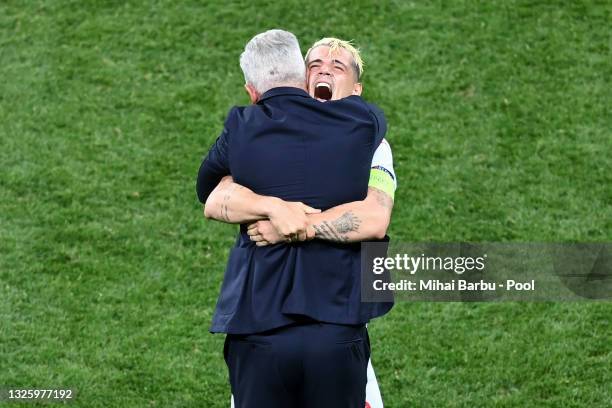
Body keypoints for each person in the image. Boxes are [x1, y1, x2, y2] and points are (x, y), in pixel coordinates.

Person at [196, 30, 393, 408]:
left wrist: (292, 227)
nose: (323, 71)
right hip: (285, 326)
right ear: (298, 80)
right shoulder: (258, 131)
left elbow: (373, 218)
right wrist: (273, 206)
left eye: (337, 67)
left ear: (356, 89)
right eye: (314, 64)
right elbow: (217, 196)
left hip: (323, 322)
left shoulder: (372, 141)